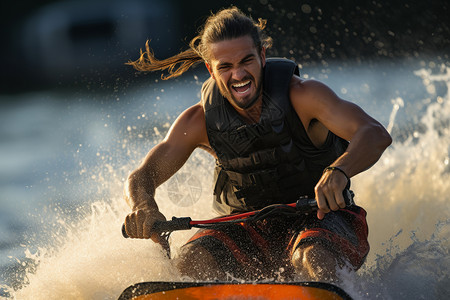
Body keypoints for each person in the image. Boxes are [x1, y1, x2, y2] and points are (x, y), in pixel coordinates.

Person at [123, 7, 392, 282]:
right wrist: (143, 206)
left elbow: (374, 133)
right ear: (211, 70)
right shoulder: (198, 121)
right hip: (247, 227)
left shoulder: (304, 96)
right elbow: (142, 176)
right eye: (225, 67)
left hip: (323, 220)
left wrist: (339, 170)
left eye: (246, 61)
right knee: (191, 262)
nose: (238, 75)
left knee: (313, 258)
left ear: (262, 56)